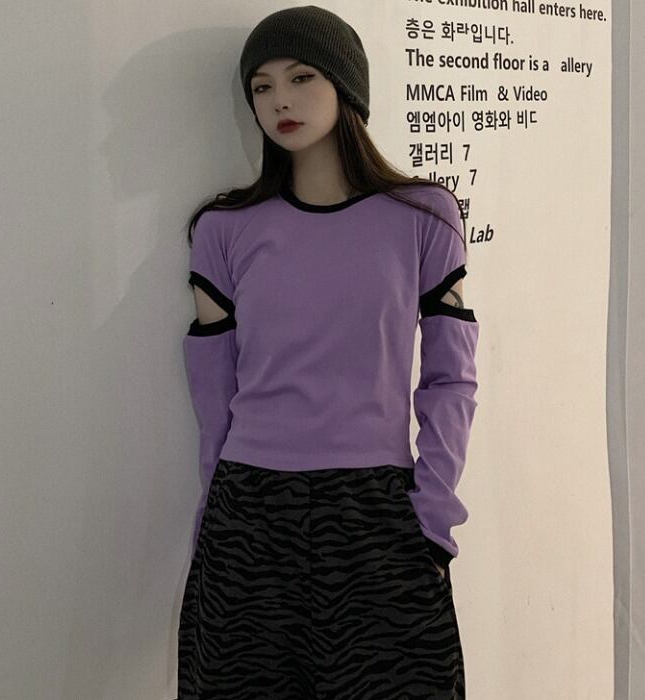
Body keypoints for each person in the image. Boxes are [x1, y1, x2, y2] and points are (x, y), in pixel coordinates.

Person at [176, 5, 479, 699]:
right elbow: (213, 399)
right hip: (250, 514)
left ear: (346, 86)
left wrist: (433, 518)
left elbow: (451, 379)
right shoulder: (223, 230)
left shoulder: (424, 215)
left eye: (301, 77)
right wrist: (214, 523)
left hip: (379, 516)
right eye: (261, 86)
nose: (279, 100)